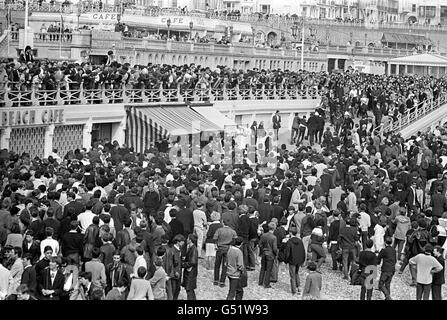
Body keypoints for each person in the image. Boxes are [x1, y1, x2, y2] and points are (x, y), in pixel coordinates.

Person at [213, 217, 237, 287]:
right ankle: (222, 281)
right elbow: (235, 240)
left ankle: (216, 280)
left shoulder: (219, 230)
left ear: (223, 222)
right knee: (225, 266)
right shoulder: (233, 231)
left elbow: (215, 238)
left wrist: (216, 245)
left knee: (217, 264)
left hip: (220, 248)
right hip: (228, 249)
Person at [283, 226, 305, 295]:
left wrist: (286, 261)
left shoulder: (289, 242)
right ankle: (298, 287)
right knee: (296, 273)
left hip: (292, 260)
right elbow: (303, 251)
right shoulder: (300, 241)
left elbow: (287, 253)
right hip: (299, 260)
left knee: (292, 276)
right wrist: (302, 260)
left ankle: (293, 291)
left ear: (290, 233)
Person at [258, 222, 278, 288]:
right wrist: (276, 253)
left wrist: (263, 249)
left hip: (264, 253)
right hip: (270, 254)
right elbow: (274, 248)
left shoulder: (264, 235)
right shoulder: (274, 237)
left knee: (263, 268)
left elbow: (260, 244)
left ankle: (260, 281)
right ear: (274, 228)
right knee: (268, 270)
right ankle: (266, 284)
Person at [377, 236, 396, 300]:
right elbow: (395, 260)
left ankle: (387, 296)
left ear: (385, 242)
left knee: (381, 284)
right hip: (392, 269)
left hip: (386, 269)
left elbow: (378, 259)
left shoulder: (384, 250)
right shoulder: (394, 250)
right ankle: (387, 297)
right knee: (388, 284)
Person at [165, 234, 184, 300]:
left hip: (178, 274)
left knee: (177, 290)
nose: (183, 243)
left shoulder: (179, 250)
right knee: (172, 291)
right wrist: (174, 272)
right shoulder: (171, 250)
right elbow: (170, 264)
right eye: (182, 241)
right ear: (178, 242)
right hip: (173, 275)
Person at [181, 234, 198, 300]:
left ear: (190, 240)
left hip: (190, 272)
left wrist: (183, 264)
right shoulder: (191, 248)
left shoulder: (193, 249)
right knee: (190, 289)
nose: (186, 239)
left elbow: (193, 262)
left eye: (188, 238)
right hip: (190, 272)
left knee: (189, 289)